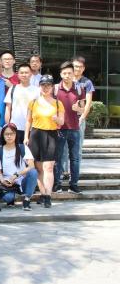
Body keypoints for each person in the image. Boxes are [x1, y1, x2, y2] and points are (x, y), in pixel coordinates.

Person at [25, 74, 64, 209]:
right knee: (38, 168)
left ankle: (48, 196)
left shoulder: (58, 103)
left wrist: (57, 119)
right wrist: (26, 137)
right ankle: (43, 194)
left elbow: (62, 122)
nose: (46, 88)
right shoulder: (33, 102)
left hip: (51, 135)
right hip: (36, 134)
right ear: (39, 86)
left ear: (52, 87)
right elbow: (28, 121)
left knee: (49, 167)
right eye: (43, 85)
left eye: (48, 85)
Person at [54, 61, 85, 194]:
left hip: (74, 128)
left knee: (75, 158)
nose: (67, 76)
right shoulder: (55, 89)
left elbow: (82, 109)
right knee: (58, 157)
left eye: (69, 73)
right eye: (64, 73)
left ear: (74, 74)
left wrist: (78, 109)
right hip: (59, 128)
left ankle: (74, 184)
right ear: (61, 74)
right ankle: (57, 184)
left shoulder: (79, 89)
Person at [0, 123, 38, 211]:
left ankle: (27, 200)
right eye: (6, 134)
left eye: (12, 133)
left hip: (22, 181)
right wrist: (3, 181)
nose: (9, 136)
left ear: (16, 134)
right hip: (8, 183)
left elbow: (31, 166)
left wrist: (17, 175)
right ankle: (12, 198)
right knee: (8, 198)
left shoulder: (23, 148)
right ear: (3, 135)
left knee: (33, 172)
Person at [4, 63, 40, 143]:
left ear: (31, 74)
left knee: (29, 150)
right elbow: (8, 108)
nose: (24, 75)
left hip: (32, 128)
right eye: (22, 73)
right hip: (14, 127)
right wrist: (8, 125)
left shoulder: (37, 90)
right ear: (18, 74)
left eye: (26, 72)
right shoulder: (13, 88)